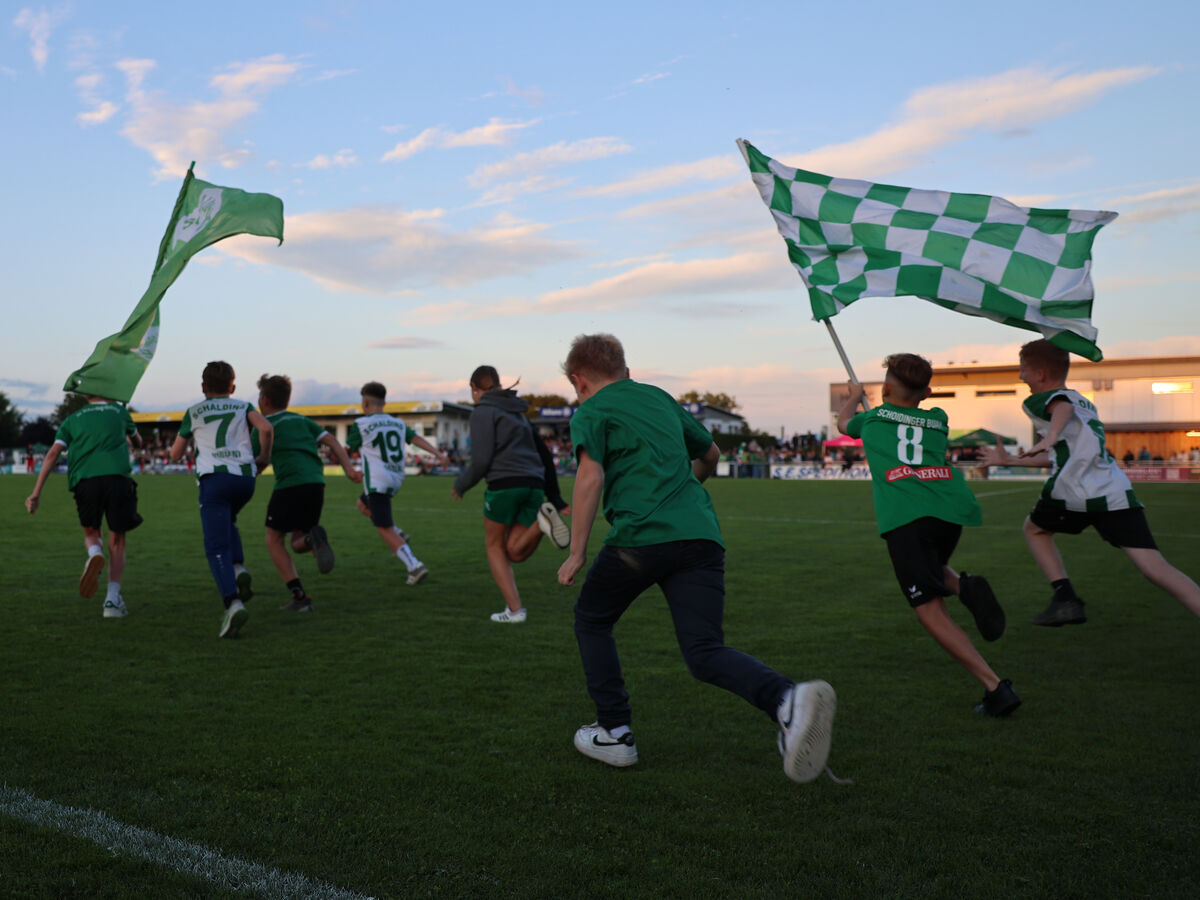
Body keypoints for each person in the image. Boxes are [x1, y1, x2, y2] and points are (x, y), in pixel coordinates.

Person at [557, 334, 835, 784]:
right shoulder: (659, 398)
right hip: (701, 535)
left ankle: (615, 730)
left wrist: (576, 554)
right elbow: (709, 455)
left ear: (578, 381)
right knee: (704, 651)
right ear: (625, 371)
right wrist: (681, 494)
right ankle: (787, 699)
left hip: (641, 537)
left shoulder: (591, 409)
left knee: (592, 619)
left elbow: (590, 477)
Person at [837, 354, 1019, 718]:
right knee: (934, 568)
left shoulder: (870, 419)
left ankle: (995, 688)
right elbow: (906, 414)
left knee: (928, 610)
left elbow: (844, 424)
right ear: (928, 392)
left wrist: (855, 396)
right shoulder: (938, 419)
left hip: (907, 515)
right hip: (949, 509)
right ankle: (964, 587)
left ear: (885, 388)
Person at [982, 339, 1200, 623]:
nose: (1021, 376)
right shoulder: (1084, 402)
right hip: (1115, 490)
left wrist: (1048, 436)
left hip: (1076, 491)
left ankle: (1065, 598)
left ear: (1041, 374)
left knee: (1034, 530)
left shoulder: (1042, 401)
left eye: (1024, 369)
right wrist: (1011, 461)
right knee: (1155, 567)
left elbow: (1061, 408)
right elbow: (1063, 453)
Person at [452, 366, 571, 624]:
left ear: (474, 387)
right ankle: (542, 523)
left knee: (493, 546)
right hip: (534, 484)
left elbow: (481, 460)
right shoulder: (518, 412)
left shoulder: (483, 411)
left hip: (504, 483)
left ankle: (516, 611)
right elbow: (544, 456)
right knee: (515, 553)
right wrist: (556, 498)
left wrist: (461, 484)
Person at [169, 361, 273, 639]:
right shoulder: (243, 406)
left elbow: (175, 456)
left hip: (214, 480)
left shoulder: (194, 411)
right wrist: (264, 457)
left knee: (215, 546)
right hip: (244, 479)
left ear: (203, 387)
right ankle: (238, 567)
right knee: (230, 519)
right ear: (233, 387)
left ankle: (232, 603)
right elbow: (266, 428)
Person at [25, 394, 144, 618]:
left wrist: (36, 493)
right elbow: (138, 442)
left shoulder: (72, 419)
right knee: (117, 538)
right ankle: (111, 601)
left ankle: (95, 553)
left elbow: (53, 453)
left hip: (85, 480)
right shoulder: (120, 412)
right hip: (118, 478)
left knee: (91, 531)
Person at [255, 374, 362, 613]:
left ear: (265, 400)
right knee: (297, 541)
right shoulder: (302, 420)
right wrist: (349, 470)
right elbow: (333, 441)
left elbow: (256, 461)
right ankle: (313, 540)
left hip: (289, 485)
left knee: (274, 540)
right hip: (316, 483)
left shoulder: (263, 426)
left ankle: (300, 597)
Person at [347, 381, 447, 587]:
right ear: (384, 402)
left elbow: (350, 447)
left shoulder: (361, 424)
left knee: (383, 528)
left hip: (377, 481)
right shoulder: (398, 423)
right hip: (396, 478)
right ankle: (399, 533)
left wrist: (350, 468)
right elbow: (416, 439)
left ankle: (414, 566)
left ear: (365, 402)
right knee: (362, 505)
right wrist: (438, 453)